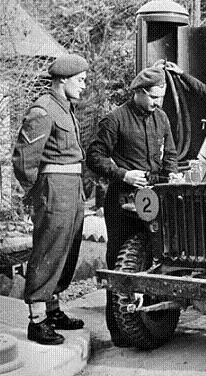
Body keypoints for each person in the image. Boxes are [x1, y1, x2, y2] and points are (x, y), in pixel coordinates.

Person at [86, 66, 179, 346]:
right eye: (152, 97)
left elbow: (171, 153)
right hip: (123, 199)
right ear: (138, 92)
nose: (157, 103)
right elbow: (94, 156)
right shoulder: (115, 119)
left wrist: (171, 172)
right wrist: (123, 174)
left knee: (156, 255)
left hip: (153, 196)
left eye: (161, 97)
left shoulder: (161, 118)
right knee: (120, 261)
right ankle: (120, 331)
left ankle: (153, 322)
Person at [12, 53, 89, 345]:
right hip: (54, 189)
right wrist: (36, 195)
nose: (83, 86)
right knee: (48, 249)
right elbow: (24, 160)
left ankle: (53, 309)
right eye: (79, 81)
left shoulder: (65, 108)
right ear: (63, 80)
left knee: (67, 249)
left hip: (72, 187)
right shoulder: (43, 110)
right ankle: (37, 320)